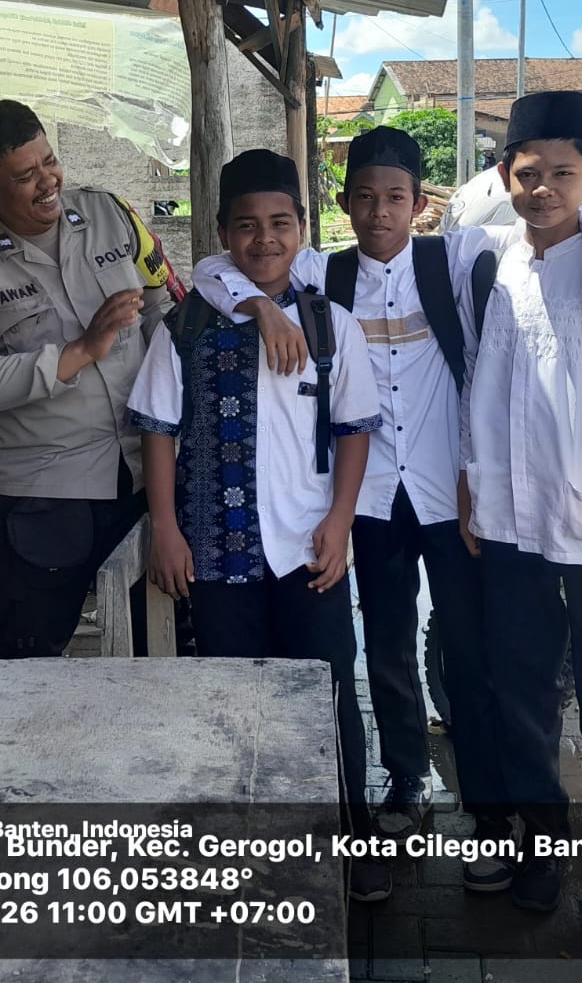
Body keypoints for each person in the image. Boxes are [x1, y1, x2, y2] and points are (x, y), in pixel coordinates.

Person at [190, 128, 582, 855]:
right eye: (364, 198)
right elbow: (215, 267)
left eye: (395, 197)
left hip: (449, 493)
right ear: (343, 204)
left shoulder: (455, 258)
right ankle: (405, 780)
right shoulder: (321, 273)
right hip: (366, 497)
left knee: (468, 648)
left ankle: (488, 805)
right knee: (387, 646)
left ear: (419, 204)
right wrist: (261, 309)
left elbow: (546, 220)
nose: (379, 213)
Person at [127, 149, 388, 899]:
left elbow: (353, 431)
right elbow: (158, 430)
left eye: (280, 223)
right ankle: (249, 846)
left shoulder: (332, 327)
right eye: (247, 225)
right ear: (222, 232)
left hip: (311, 550)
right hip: (217, 549)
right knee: (233, 700)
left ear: (303, 228)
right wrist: (166, 527)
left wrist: (340, 520)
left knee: (329, 695)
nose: (265, 239)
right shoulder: (186, 327)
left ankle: (351, 841)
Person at [456, 91, 582, 945]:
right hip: (508, 521)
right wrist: (471, 483)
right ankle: (541, 845)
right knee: (522, 692)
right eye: (528, 174)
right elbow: (477, 376)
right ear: (504, 174)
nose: (543, 190)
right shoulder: (488, 262)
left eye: (564, 175)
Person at [0, 100, 181, 660]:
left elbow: (162, 304)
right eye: (25, 175)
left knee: (155, 647)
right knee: (24, 658)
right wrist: (80, 351)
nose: (49, 183)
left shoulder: (110, 213)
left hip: (143, 472)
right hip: (44, 492)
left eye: (50, 161)